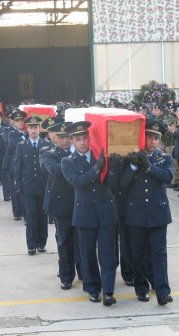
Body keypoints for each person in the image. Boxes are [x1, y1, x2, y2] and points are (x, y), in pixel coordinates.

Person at [61, 121, 118, 306]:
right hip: (84, 213)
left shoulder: (99, 156)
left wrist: (113, 166)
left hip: (106, 211)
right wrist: (96, 169)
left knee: (107, 253)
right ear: (71, 140)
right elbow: (78, 182)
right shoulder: (67, 161)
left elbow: (112, 183)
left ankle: (108, 291)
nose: (83, 142)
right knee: (87, 254)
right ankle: (93, 288)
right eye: (78, 139)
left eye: (85, 137)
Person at [120, 119, 173, 306]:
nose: (152, 141)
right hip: (137, 213)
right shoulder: (131, 157)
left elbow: (168, 177)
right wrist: (134, 166)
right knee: (138, 253)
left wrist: (149, 167)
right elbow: (123, 184)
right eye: (149, 136)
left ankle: (162, 291)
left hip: (158, 213)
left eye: (156, 138)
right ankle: (141, 288)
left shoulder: (164, 158)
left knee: (159, 252)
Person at [41, 121, 78, 290]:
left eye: (68, 137)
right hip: (61, 203)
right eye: (62, 137)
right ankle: (66, 276)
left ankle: (84, 272)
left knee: (81, 241)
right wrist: (75, 162)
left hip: (79, 202)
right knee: (64, 241)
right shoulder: (48, 153)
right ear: (55, 138)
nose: (66, 140)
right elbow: (55, 171)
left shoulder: (79, 152)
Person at [14, 116, 49, 255]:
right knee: (30, 216)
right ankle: (31, 244)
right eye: (31, 128)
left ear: (40, 129)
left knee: (42, 216)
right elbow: (17, 167)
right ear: (27, 129)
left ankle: (42, 243)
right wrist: (17, 185)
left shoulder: (46, 145)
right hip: (28, 187)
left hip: (43, 187)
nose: (34, 130)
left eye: (36, 127)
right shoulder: (21, 146)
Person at [4, 110, 27, 221]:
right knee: (14, 189)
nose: (20, 123)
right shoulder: (9, 132)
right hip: (12, 165)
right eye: (18, 121)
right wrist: (23, 137)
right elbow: (11, 145)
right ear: (13, 122)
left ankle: (23, 210)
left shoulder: (27, 132)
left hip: (24, 165)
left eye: (22, 120)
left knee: (23, 189)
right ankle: (17, 212)